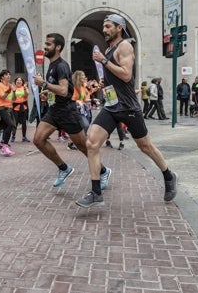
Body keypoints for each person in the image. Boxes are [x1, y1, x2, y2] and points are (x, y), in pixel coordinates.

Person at [76, 14, 177, 207]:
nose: (104, 30)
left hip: (128, 107)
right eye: (103, 27)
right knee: (92, 143)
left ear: (119, 27)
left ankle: (168, 175)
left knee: (145, 146)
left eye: (107, 26)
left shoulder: (125, 46)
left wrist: (104, 61)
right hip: (112, 105)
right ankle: (96, 192)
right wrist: (106, 81)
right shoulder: (109, 49)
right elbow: (116, 76)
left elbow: (126, 74)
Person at [32, 33, 112, 189]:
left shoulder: (61, 66)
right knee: (38, 140)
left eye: (48, 44)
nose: (45, 47)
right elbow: (62, 89)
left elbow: (62, 90)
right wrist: (47, 92)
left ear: (58, 47)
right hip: (55, 111)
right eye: (45, 44)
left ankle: (103, 171)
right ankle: (63, 168)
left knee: (83, 147)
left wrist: (44, 84)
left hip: (68, 111)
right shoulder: (52, 65)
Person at [0, 69, 16, 155]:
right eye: (6, 75)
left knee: (8, 126)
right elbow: (2, 97)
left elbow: (14, 99)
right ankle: (5, 146)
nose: (9, 76)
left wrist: (13, 91)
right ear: (2, 77)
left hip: (9, 108)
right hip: (1, 108)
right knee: (10, 124)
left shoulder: (10, 85)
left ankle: (4, 146)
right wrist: (9, 90)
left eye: (9, 74)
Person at [11, 76, 31, 142]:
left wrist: (25, 89)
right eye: (17, 80)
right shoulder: (13, 88)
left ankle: (24, 137)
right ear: (15, 82)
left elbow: (26, 95)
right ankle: (13, 136)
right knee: (15, 122)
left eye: (20, 80)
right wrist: (13, 91)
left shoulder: (25, 88)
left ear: (22, 82)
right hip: (15, 108)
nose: (19, 81)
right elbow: (13, 98)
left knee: (24, 122)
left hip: (24, 107)